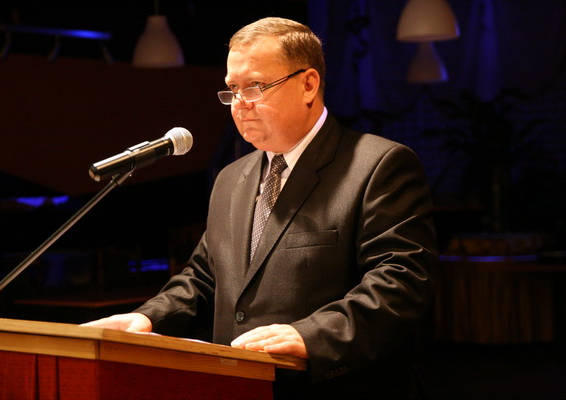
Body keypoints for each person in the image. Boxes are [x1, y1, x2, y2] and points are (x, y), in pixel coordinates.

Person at [82, 17, 437, 399]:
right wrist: (147, 318)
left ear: (308, 84)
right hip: (239, 387)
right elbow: (204, 277)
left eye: (255, 87)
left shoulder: (378, 165)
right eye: (232, 89)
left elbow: (401, 283)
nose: (240, 104)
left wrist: (310, 335)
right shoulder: (231, 178)